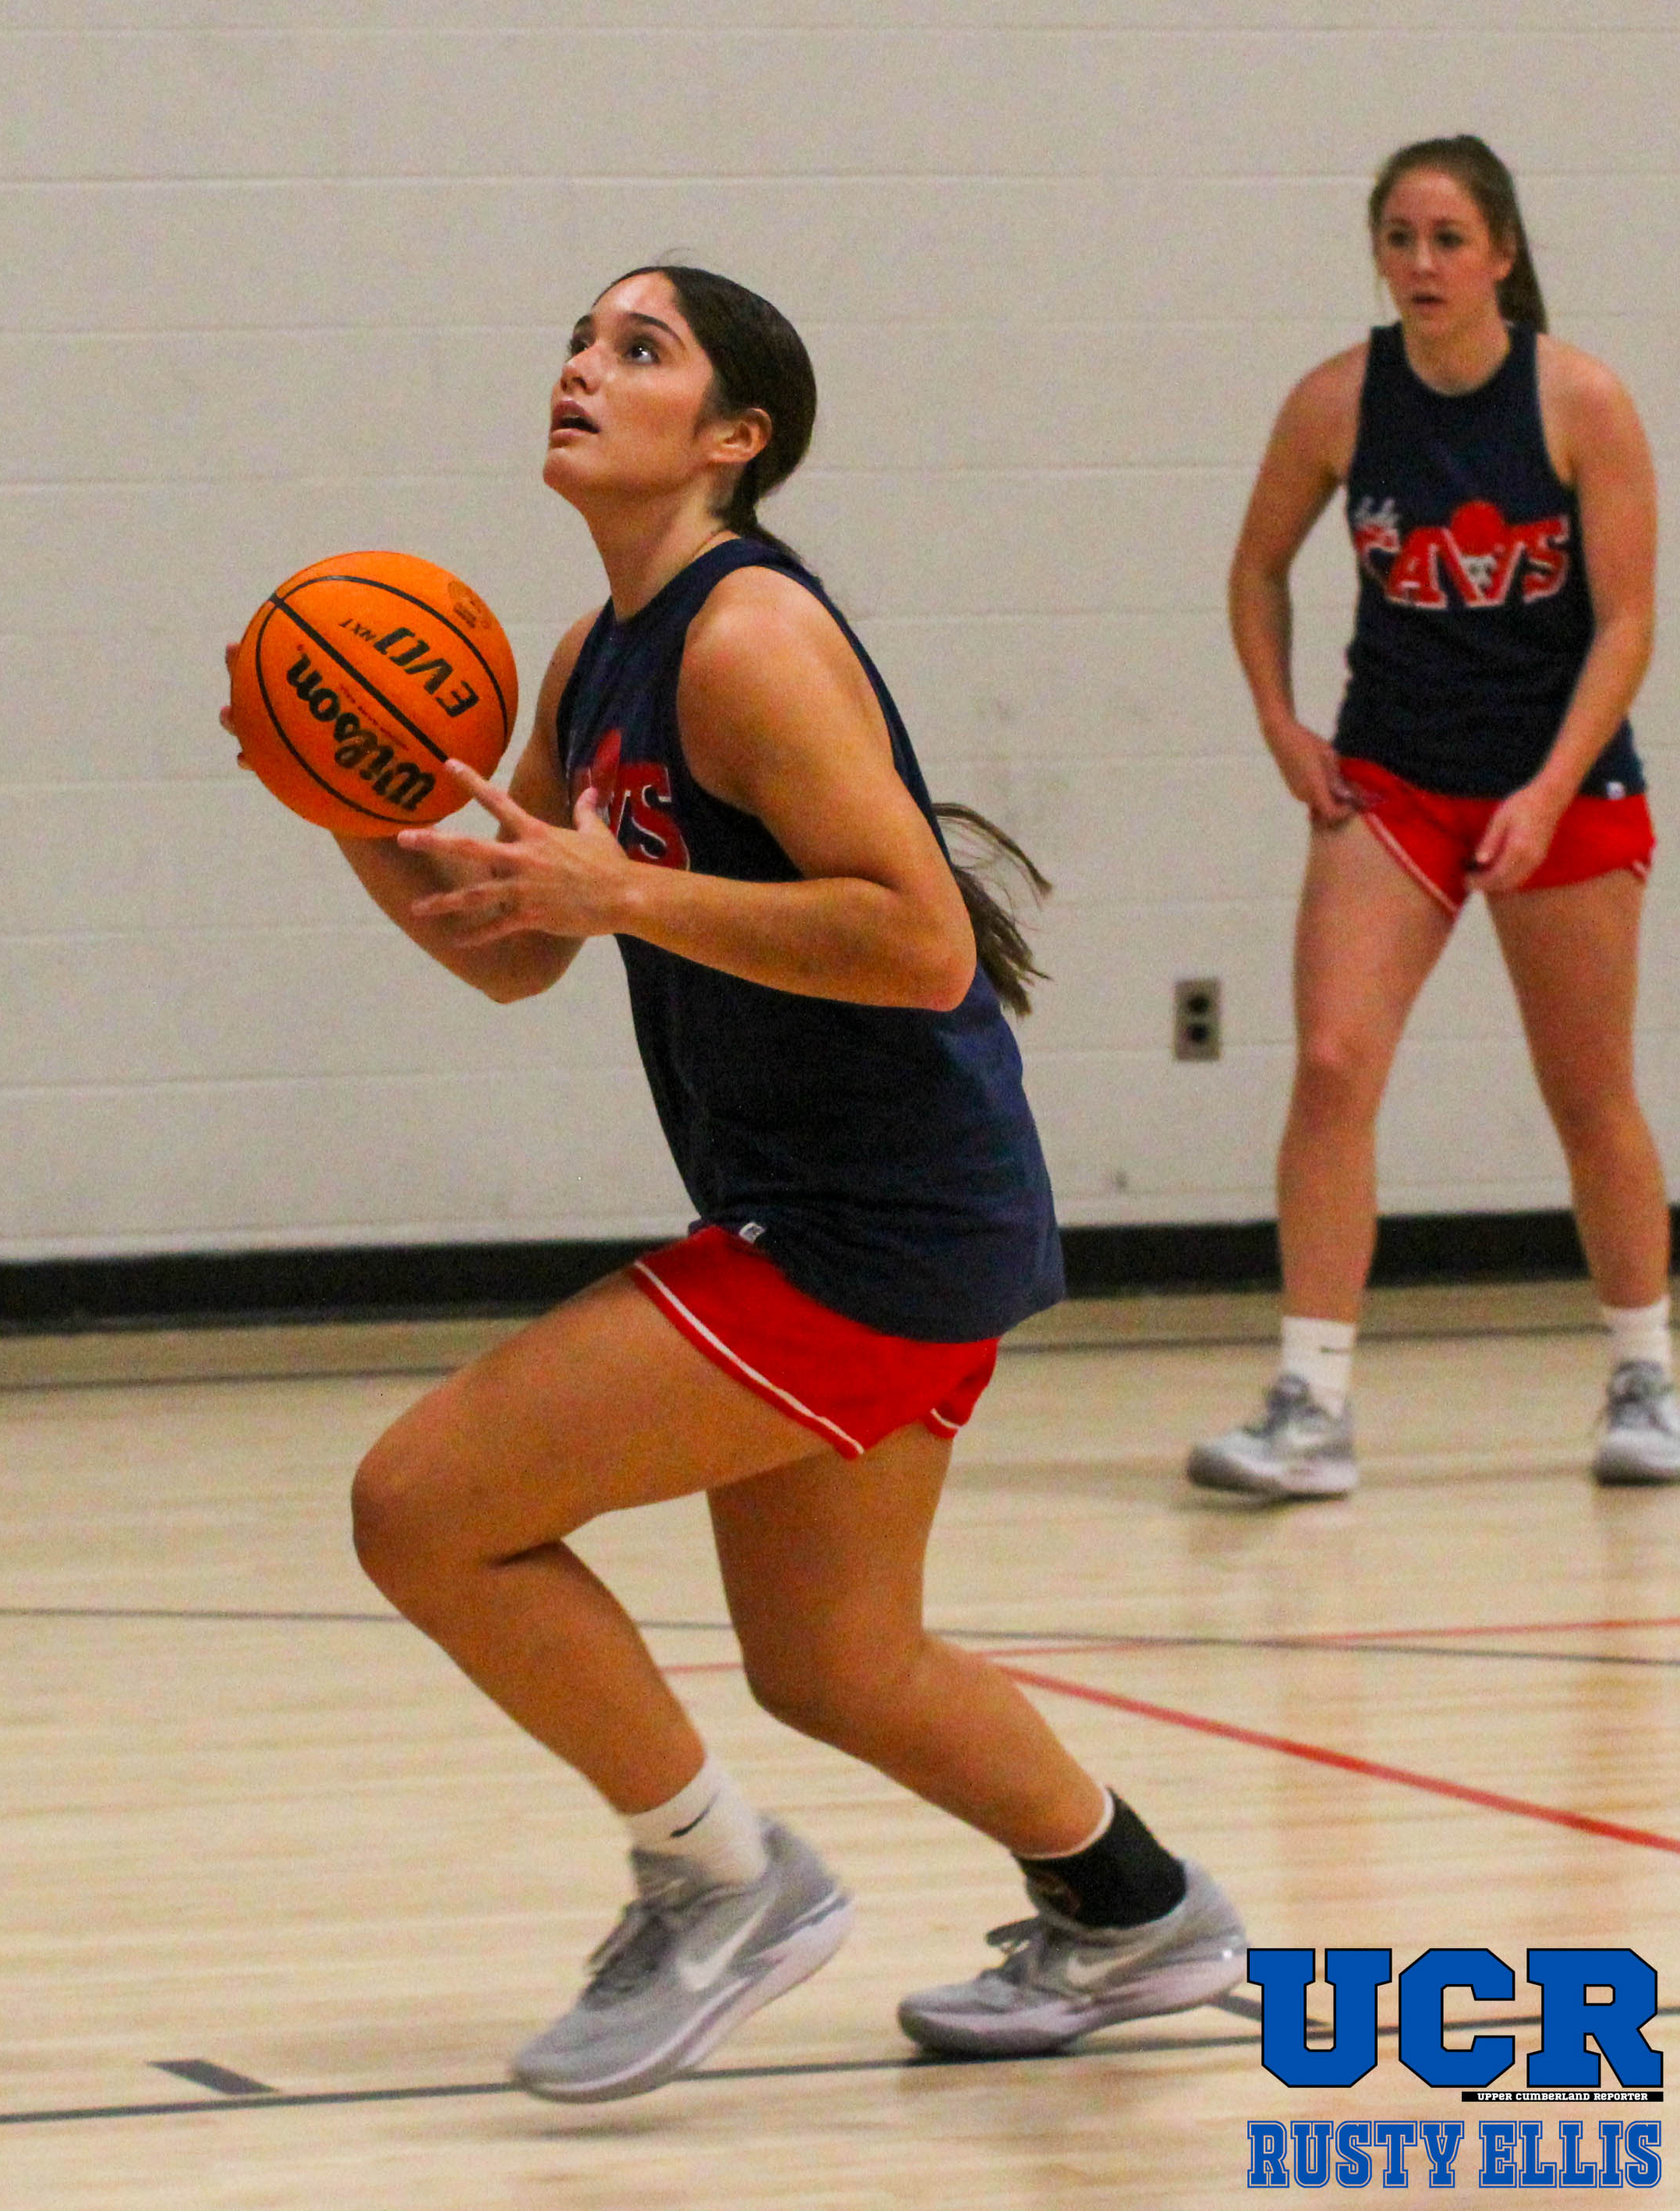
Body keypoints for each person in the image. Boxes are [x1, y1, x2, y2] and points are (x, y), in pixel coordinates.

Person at [225, 264, 1244, 2099]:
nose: (580, 365)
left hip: (872, 1223)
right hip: (863, 1209)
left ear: (733, 435)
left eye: (640, 349)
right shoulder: (592, 653)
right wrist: (348, 806)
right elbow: (514, 945)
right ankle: (1138, 1907)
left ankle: (716, 1878)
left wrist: (625, 889)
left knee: (420, 1507)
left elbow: (919, 940)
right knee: (838, 1660)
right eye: (578, 338)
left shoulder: (745, 637)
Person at [1188, 136, 1676, 1502]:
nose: (1420, 263)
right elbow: (1255, 571)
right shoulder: (1335, 401)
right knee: (1332, 1063)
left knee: (1588, 1094)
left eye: (1447, 238)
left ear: (1502, 253)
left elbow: (1626, 623)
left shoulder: (1579, 400)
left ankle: (1643, 1376)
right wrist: (1281, 725)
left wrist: (1548, 787)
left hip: (1558, 778)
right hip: (1392, 777)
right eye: (1398, 238)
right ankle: (1310, 1401)